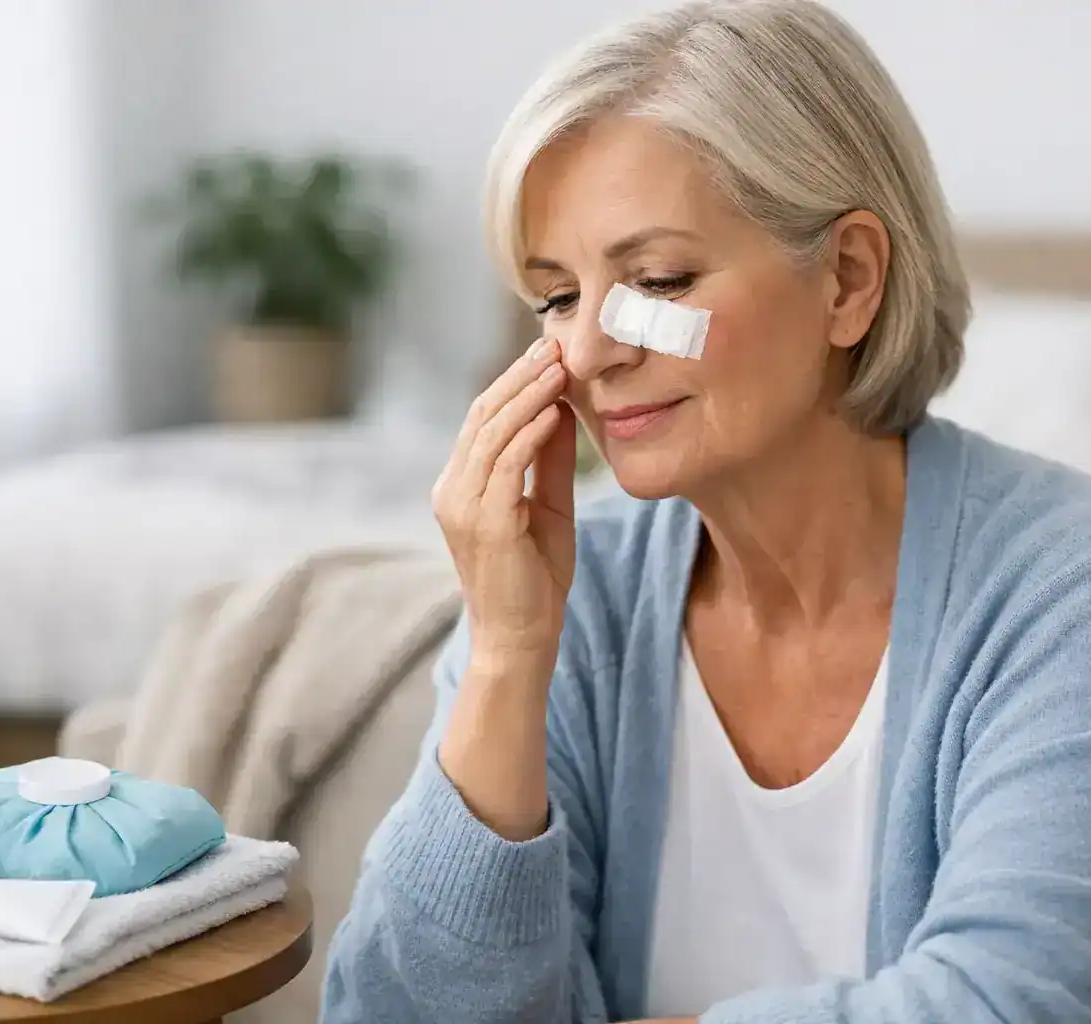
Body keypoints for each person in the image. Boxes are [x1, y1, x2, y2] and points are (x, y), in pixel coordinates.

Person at [319, 1, 1091, 1022]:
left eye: (656, 280)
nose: (589, 351)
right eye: (556, 298)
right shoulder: (563, 594)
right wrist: (507, 656)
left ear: (849, 281)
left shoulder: (1057, 588)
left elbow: (1008, 1001)